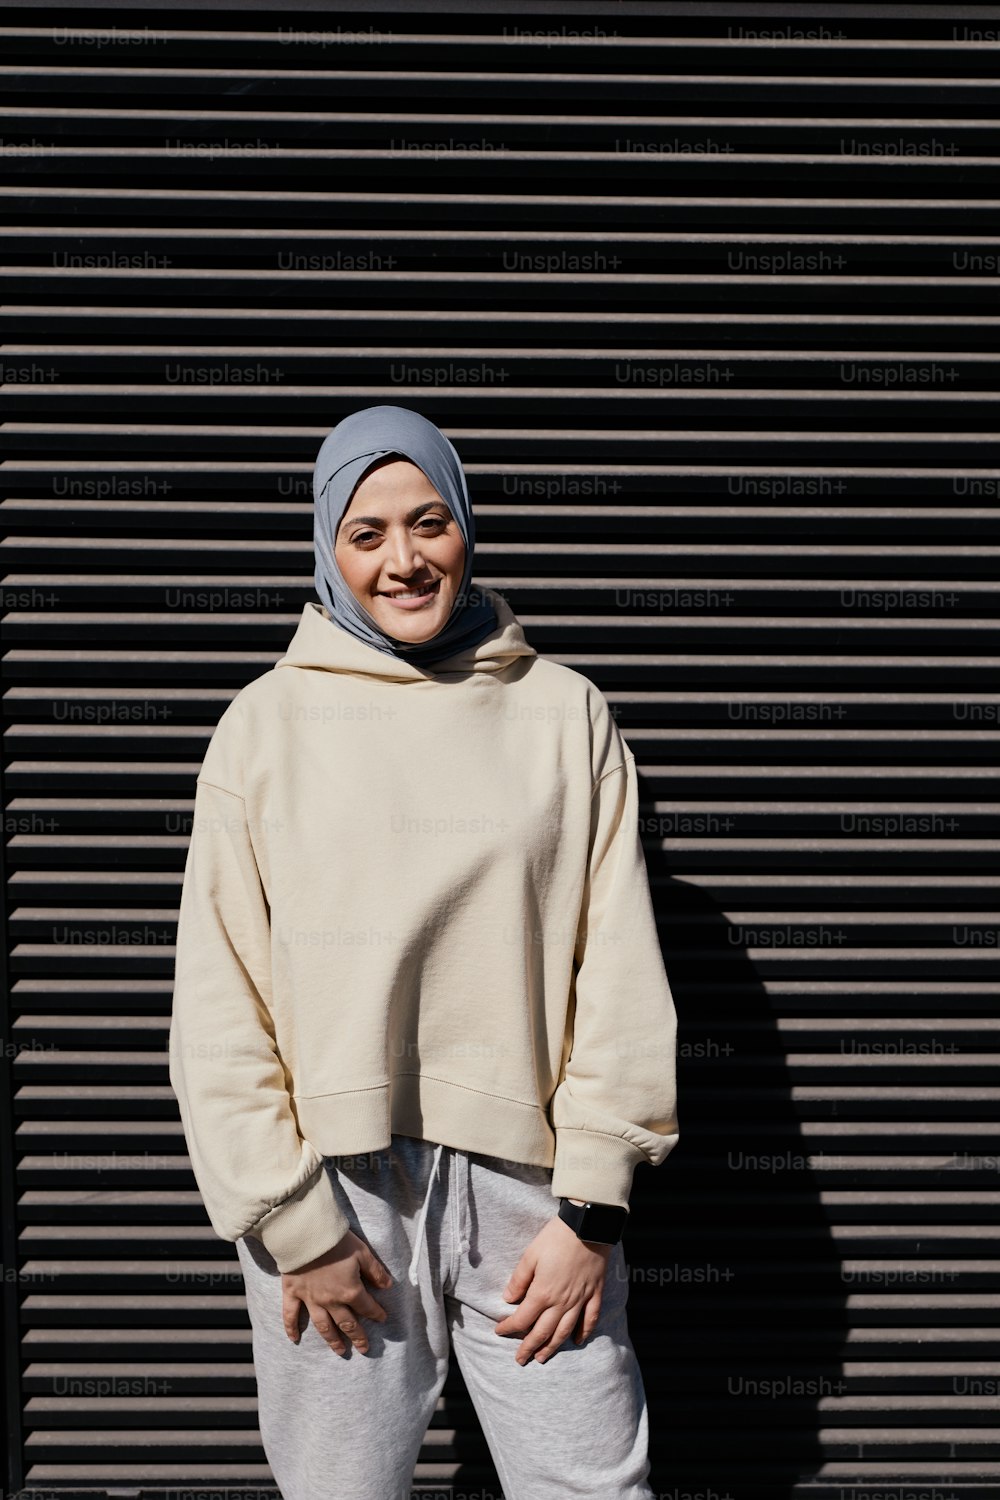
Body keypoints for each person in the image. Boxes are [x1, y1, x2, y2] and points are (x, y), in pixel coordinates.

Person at [168, 404, 680, 1500]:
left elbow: (619, 971)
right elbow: (219, 1008)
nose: (402, 561)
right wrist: (291, 1222)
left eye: (428, 523)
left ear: (465, 532)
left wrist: (590, 1208)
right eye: (367, 534)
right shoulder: (263, 729)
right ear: (327, 548)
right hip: (335, 1200)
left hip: (531, 1200)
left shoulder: (562, 713)